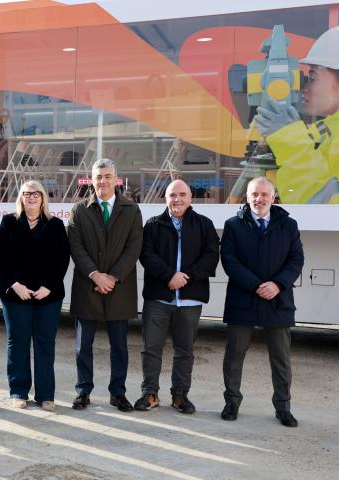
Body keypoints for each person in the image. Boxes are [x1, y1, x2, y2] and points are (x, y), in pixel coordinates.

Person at [220, 177, 304, 427]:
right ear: (247, 197)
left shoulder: (288, 225)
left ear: (273, 196)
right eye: (254, 194)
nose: (259, 199)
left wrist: (277, 284)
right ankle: (231, 403)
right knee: (234, 356)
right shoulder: (233, 225)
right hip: (242, 300)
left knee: (281, 358)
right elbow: (230, 261)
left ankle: (283, 408)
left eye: (264, 194)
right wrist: (256, 285)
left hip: (278, 301)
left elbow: (296, 260)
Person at [135, 180, 220, 414]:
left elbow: (211, 256)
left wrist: (186, 277)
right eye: (172, 195)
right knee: (150, 348)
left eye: (182, 194)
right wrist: (169, 276)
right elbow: (146, 255)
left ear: (191, 197)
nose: (177, 199)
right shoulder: (153, 225)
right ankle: (149, 393)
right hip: (159, 299)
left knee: (185, 351)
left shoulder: (204, 225)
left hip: (190, 300)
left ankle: (180, 396)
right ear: (166, 198)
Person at [68, 158, 143, 413]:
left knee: (119, 346)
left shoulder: (131, 210)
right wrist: (95, 275)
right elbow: (76, 248)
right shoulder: (79, 210)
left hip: (119, 289)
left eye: (108, 176)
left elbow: (134, 248)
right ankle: (83, 391)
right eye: (98, 177)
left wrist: (112, 277)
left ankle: (118, 393)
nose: (103, 181)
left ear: (116, 178)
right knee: (82, 346)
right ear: (92, 180)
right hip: (88, 287)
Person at [0, 181, 70, 412]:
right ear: (21, 198)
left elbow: (62, 259)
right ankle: (19, 391)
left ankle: (46, 395)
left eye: (36, 194)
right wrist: (15, 285)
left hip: (49, 295)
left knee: (45, 344)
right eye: (27, 194)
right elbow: (0, 257)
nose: (31, 198)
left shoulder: (55, 225)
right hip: (16, 296)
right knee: (18, 343)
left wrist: (50, 286)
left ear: (43, 198)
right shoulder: (9, 222)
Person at [254, 27, 339, 204]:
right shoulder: (328, 128)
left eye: (313, 78)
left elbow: (321, 208)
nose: (304, 87)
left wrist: (290, 141)